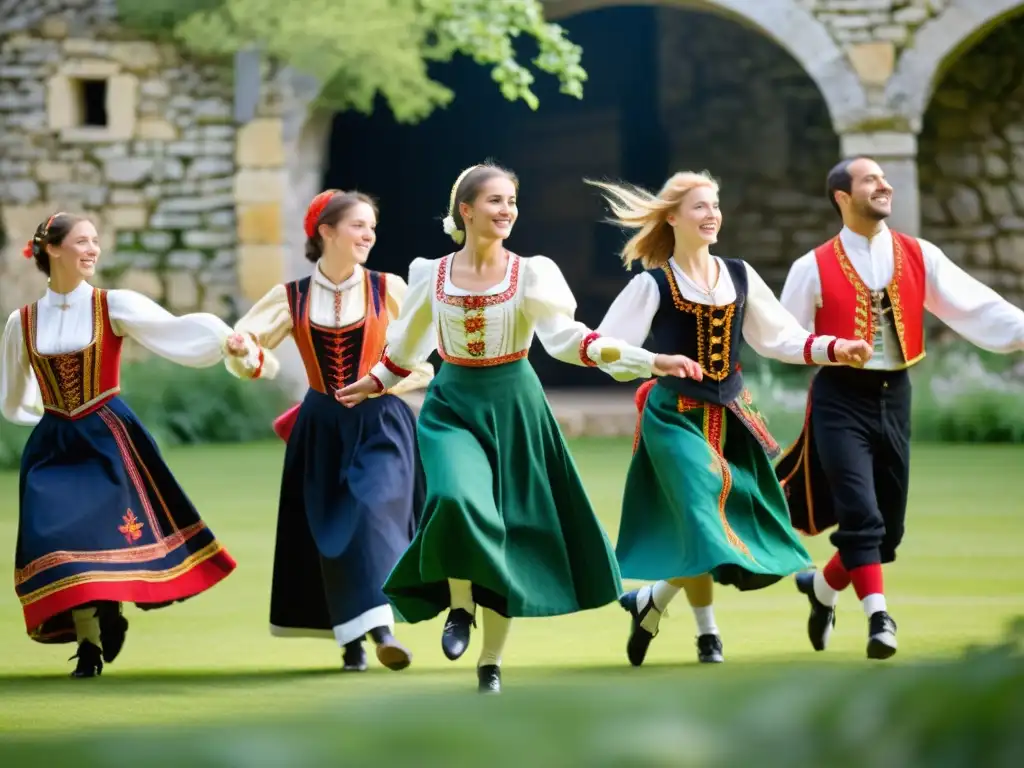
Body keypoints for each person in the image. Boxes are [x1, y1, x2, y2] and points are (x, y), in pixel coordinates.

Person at [335, 163, 701, 693]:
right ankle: (460, 608)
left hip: (515, 407)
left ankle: (490, 663)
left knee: (510, 530)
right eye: (495, 201)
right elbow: (406, 348)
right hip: (453, 404)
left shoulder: (532, 273)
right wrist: (372, 382)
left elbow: (571, 340)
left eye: (511, 201)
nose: (507, 210)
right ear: (466, 210)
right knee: (459, 500)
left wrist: (649, 360)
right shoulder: (430, 274)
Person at [588, 171, 873, 667]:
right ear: (672, 217)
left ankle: (666, 609)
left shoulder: (739, 275)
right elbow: (604, 351)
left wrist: (835, 347)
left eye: (715, 205)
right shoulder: (652, 285)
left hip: (731, 417)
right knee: (702, 510)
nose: (712, 214)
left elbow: (781, 338)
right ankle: (699, 627)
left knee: (702, 526)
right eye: (700, 206)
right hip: (674, 416)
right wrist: (653, 362)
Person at [775, 156, 1024, 659]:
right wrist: (827, 346)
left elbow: (975, 306)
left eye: (883, 178)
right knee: (860, 514)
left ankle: (823, 587)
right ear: (843, 197)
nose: (884, 185)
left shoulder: (919, 254)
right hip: (839, 399)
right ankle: (879, 620)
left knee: (888, 532)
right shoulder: (812, 265)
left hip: (896, 396)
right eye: (870, 180)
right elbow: (782, 336)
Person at [0, 212, 259, 678]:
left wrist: (226, 341)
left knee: (100, 536)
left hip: (107, 437)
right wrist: (44, 420)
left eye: (95, 241)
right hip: (54, 445)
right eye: (82, 241)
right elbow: (14, 398)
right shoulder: (22, 322)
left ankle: (96, 634)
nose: (93, 249)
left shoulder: (111, 304)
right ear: (52, 249)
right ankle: (91, 639)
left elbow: (174, 330)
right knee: (57, 539)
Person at [223, 189, 433, 673]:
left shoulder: (390, 289)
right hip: (321, 427)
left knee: (373, 510)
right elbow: (256, 353)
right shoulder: (290, 297)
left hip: (383, 420)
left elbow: (422, 359)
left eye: (372, 227)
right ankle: (351, 640)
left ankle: (381, 630)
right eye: (359, 225)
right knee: (330, 529)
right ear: (326, 232)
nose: (369, 235)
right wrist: (241, 351)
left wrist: (382, 380)